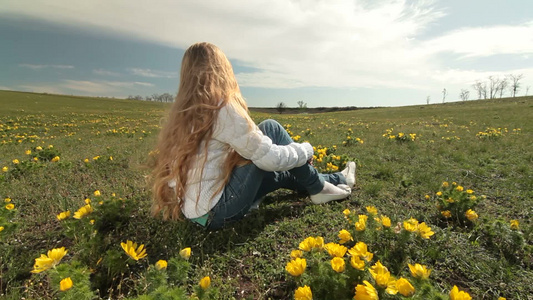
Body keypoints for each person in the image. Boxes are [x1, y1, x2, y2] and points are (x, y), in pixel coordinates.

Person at [151, 42, 356, 230]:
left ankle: (336, 178)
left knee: (279, 175)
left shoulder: (182, 114)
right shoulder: (220, 107)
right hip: (218, 211)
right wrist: (306, 150)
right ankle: (319, 188)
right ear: (221, 69)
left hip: (196, 214)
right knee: (271, 129)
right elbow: (270, 159)